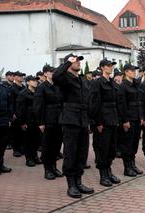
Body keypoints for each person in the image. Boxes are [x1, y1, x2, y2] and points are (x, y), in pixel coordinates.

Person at [53, 54, 94, 198]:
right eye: (75, 61)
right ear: (68, 63)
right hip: (70, 119)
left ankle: (79, 181)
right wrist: (66, 63)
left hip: (83, 119)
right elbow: (55, 77)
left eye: (78, 61)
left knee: (82, 152)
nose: (78, 63)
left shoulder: (81, 79)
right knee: (70, 153)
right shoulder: (64, 78)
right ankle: (71, 185)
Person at [89, 59, 121, 187]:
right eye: (108, 66)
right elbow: (94, 103)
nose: (111, 68)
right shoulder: (97, 83)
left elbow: (116, 103)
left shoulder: (112, 83)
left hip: (112, 119)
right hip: (103, 121)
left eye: (112, 66)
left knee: (111, 148)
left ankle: (109, 170)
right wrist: (98, 122)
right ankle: (103, 174)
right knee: (102, 148)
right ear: (102, 67)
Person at [34, 65, 63, 180]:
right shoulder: (41, 88)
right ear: (45, 74)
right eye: (51, 72)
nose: (53, 73)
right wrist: (41, 122)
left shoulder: (57, 86)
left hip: (59, 119)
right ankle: (47, 169)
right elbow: (38, 106)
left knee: (57, 145)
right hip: (48, 120)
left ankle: (54, 167)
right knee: (47, 146)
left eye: (54, 71)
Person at [117, 64, 144, 177]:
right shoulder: (123, 86)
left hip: (137, 117)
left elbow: (140, 102)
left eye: (135, 70)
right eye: (132, 71)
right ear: (126, 72)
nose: (134, 72)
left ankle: (132, 164)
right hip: (129, 118)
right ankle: (127, 167)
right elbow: (121, 105)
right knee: (127, 144)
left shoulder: (136, 85)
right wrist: (125, 120)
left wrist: (141, 117)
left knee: (134, 143)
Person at [17, 75, 43, 167]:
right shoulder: (23, 94)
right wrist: (22, 122)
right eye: (33, 80)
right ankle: (29, 159)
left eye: (36, 80)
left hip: (37, 121)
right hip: (28, 121)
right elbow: (20, 109)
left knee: (37, 140)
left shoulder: (38, 92)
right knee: (29, 141)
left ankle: (35, 157)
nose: (35, 82)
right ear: (27, 82)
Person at [0, 69, 13, 175]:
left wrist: (9, 118)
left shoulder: (4, 89)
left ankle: (0, 165)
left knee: (2, 145)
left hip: (3, 121)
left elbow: (10, 104)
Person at [10, 71, 26, 157]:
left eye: (22, 76)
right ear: (15, 77)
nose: (21, 77)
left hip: (23, 112)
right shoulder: (12, 88)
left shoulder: (24, 87)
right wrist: (12, 113)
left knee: (23, 131)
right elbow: (11, 101)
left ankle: (22, 148)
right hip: (16, 113)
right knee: (15, 132)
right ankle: (16, 149)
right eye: (19, 76)